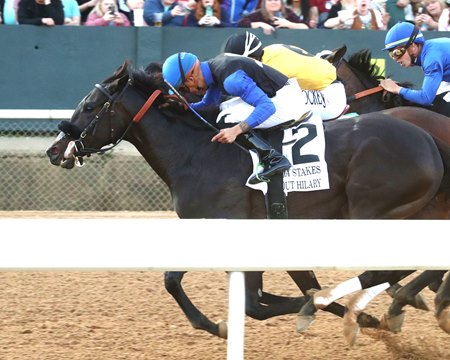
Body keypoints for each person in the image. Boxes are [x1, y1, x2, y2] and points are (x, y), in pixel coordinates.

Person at [161, 51, 311, 184]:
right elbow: (209, 104)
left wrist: (236, 130)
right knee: (223, 109)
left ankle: (273, 159)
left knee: (225, 118)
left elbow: (267, 107)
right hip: (281, 94)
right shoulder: (214, 67)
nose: (188, 92)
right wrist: (183, 107)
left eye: (183, 89)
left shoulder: (231, 81)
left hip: (288, 103)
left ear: (191, 78)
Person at [223, 31, 348, 121]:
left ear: (251, 57)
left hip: (329, 96)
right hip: (323, 87)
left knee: (275, 107)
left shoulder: (270, 67)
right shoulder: (270, 51)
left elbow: (261, 101)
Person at [380, 21, 450, 116]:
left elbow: (425, 98)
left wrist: (397, 89)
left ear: (413, 46)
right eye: (392, 55)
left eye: (397, 52)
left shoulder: (431, 59)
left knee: (440, 109)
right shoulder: (427, 51)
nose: (396, 59)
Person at [238, 0, 309, 34]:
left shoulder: (288, 13)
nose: (273, 2)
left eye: (276, 0)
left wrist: (289, 24)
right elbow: (241, 24)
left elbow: (306, 27)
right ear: (264, 3)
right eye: (269, 0)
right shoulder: (258, 14)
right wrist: (260, 24)